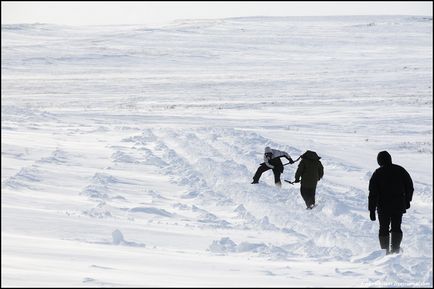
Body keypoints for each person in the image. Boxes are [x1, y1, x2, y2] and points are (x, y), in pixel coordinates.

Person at [368, 151, 413, 254]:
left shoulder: (377, 173)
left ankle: (385, 252)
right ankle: (395, 250)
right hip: (398, 205)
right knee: (396, 227)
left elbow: (373, 194)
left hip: (383, 207)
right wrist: (407, 200)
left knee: (383, 228)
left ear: (379, 161)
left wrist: (371, 210)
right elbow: (409, 187)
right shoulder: (400, 170)